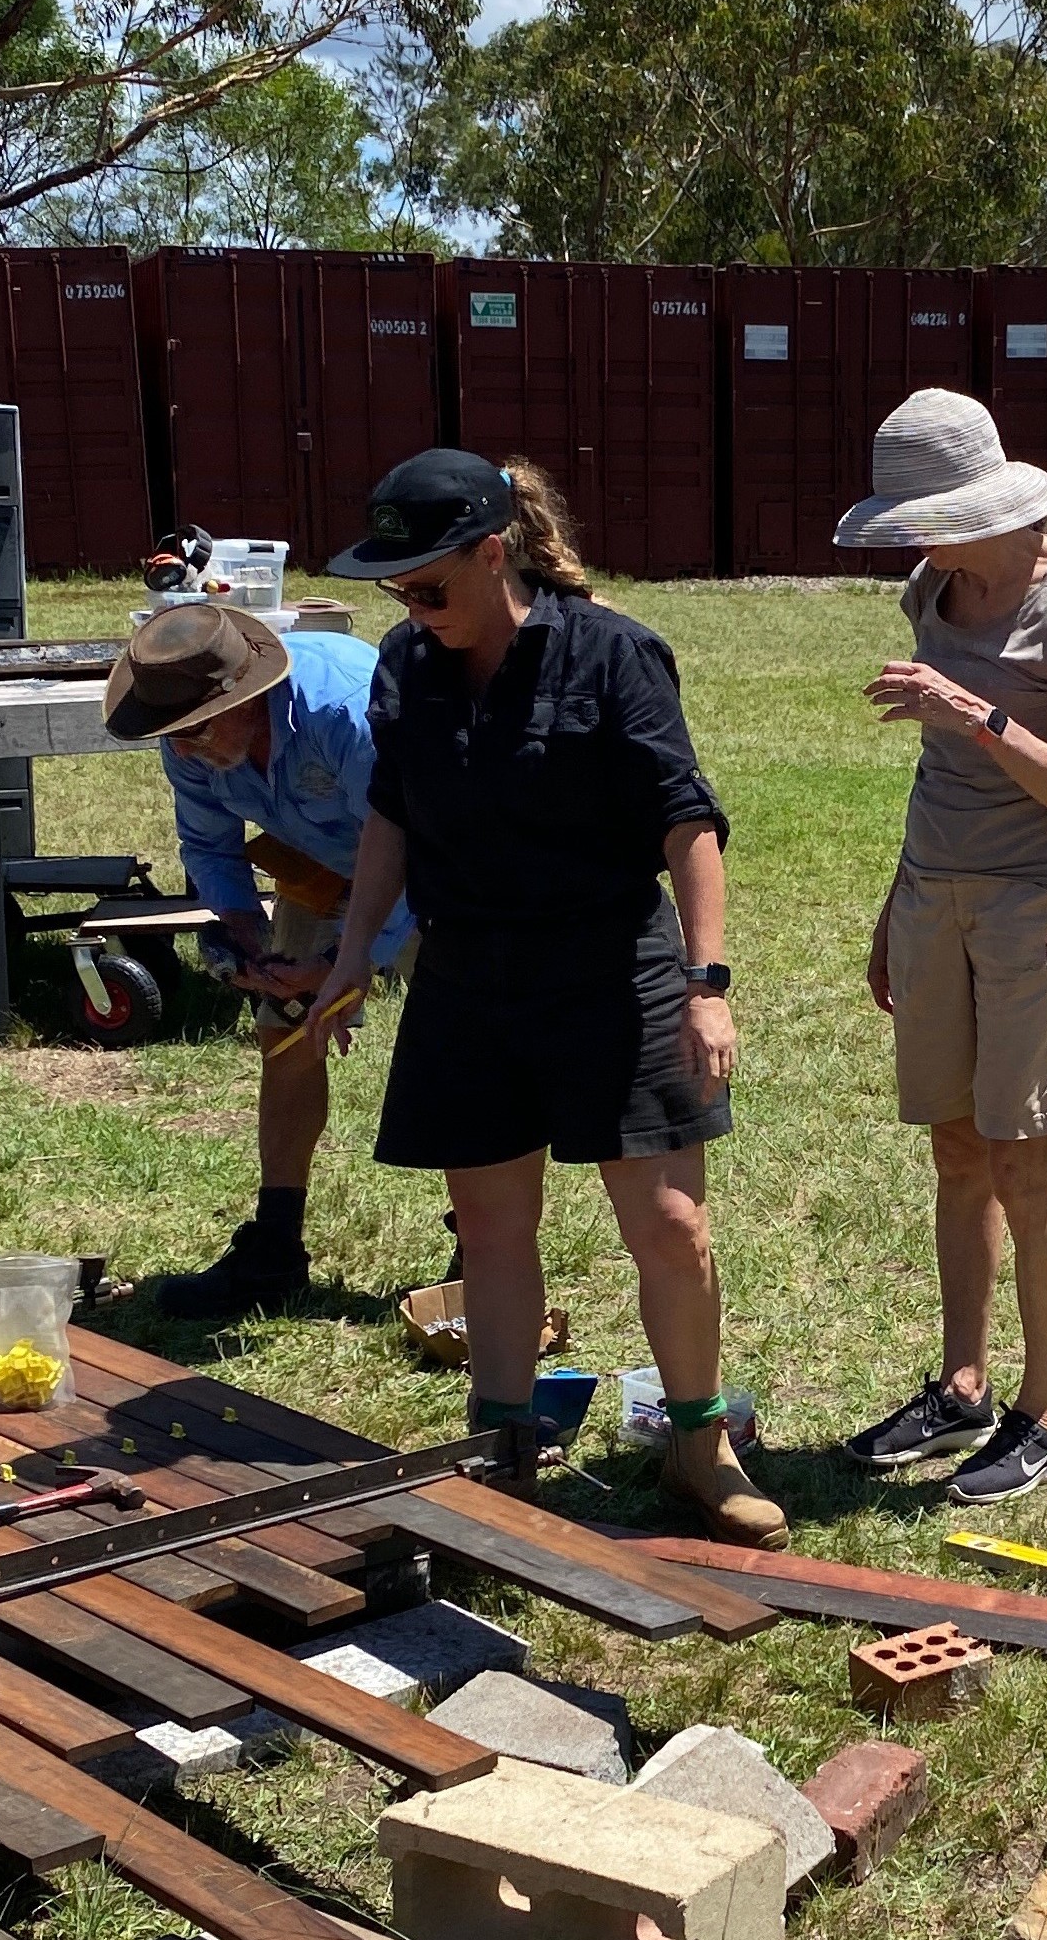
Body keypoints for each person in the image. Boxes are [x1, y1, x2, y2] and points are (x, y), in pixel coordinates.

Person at [305, 448, 787, 1548]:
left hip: (610, 965)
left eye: (430, 586)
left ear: (493, 553)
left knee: (668, 1223)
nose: (413, 609)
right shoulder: (406, 665)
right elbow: (392, 814)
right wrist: (349, 956)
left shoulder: (611, 653)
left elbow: (687, 819)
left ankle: (698, 1442)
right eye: (398, 591)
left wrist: (706, 986)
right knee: (487, 1225)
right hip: (469, 969)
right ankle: (503, 1444)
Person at [834, 390, 1047, 1504]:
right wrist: (893, 906)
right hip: (933, 897)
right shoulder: (932, 586)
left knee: (1021, 1162)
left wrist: (977, 711)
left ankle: (1039, 1415)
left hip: (1029, 901)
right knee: (954, 1153)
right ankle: (959, 1386)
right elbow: (933, 774)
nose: (910, 540)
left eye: (924, 517)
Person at [103, 600, 416, 1319]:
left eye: (197, 732)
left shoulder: (346, 713)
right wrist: (242, 931)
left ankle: (479, 1255)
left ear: (250, 696)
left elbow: (412, 840)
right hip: (323, 864)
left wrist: (351, 958)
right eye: (171, 738)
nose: (183, 752)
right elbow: (210, 844)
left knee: (457, 1046)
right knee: (285, 1033)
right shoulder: (183, 730)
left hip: (434, 859)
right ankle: (274, 1250)